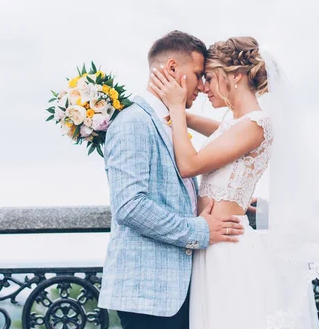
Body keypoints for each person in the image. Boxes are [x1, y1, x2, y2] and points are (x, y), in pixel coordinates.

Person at [149, 36, 319, 328]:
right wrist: (166, 109)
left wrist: (175, 109)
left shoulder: (255, 124)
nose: (202, 86)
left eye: (209, 78)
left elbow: (189, 165)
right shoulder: (238, 122)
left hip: (227, 249)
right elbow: (219, 132)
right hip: (211, 244)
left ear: (234, 76)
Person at [98, 30, 245, 329]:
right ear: (173, 69)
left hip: (176, 290)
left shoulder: (168, 122)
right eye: (198, 74)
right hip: (149, 295)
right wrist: (199, 231)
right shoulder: (133, 122)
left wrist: (232, 198)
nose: (202, 87)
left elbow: (174, 192)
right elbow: (129, 206)